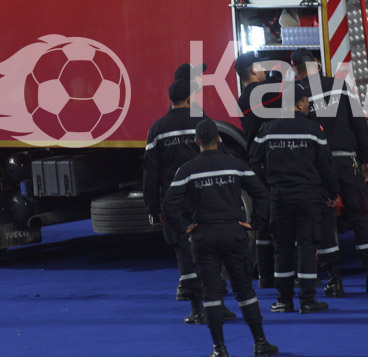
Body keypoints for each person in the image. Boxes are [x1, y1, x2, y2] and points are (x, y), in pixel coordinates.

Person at [162, 120, 278, 357]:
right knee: (244, 291)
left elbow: (169, 204)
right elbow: (263, 195)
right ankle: (260, 343)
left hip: (203, 237)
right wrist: (254, 223)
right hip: (233, 234)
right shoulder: (236, 165)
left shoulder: (187, 170)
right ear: (219, 139)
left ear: (197, 142)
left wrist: (185, 228)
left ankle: (219, 349)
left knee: (211, 293)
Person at [290, 49, 368, 298]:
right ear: (316, 63)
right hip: (346, 161)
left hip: (316, 166)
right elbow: (359, 124)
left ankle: (334, 281)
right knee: (360, 215)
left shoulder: (296, 95)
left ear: (295, 69)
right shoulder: (339, 85)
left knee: (325, 219)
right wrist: (366, 159)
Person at [143, 79, 233, 324]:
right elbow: (222, 158)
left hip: (175, 201)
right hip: (205, 197)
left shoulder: (157, 129)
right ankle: (219, 305)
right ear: (190, 98)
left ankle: (197, 309)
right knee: (212, 251)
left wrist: (153, 206)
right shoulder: (203, 122)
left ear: (170, 100)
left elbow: (150, 172)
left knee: (185, 252)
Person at [250, 81, 340, 314]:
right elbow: (326, 166)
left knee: (282, 248)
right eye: (307, 102)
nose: (308, 106)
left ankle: (284, 300)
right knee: (307, 246)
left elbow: (254, 159)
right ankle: (307, 300)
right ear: (299, 104)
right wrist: (332, 194)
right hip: (308, 197)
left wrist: (268, 186)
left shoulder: (268, 128)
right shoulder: (313, 129)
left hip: (279, 198)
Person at [235, 52, 282, 289]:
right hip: (274, 162)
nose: (265, 69)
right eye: (261, 66)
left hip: (258, 163)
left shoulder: (244, 98)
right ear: (253, 70)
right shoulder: (266, 92)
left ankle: (265, 275)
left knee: (264, 220)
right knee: (283, 217)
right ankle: (287, 272)